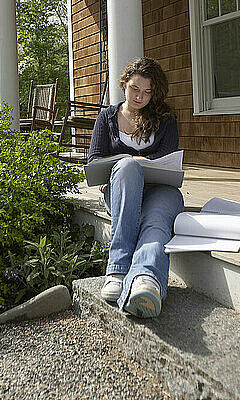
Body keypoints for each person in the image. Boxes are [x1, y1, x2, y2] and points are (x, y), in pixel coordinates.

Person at [87, 57, 184, 318]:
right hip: (123, 190)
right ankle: (118, 270)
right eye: (135, 89)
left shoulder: (166, 119)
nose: (140, 96)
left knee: (156, 221)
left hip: (159, 190)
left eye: (147, 92)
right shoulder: (107, 117)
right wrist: (125, 164)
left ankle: (146, 281)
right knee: (128, 167)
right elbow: (94, 160)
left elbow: (168, 159)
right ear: (124, 85)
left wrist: (145, 163)